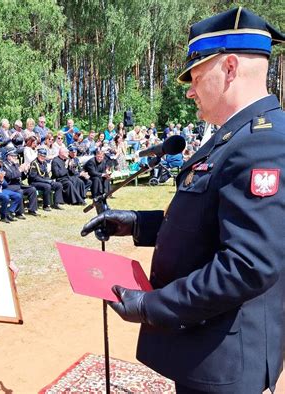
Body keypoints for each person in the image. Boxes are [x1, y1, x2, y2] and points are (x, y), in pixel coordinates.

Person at [81, 7, 285, 393]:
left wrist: (152, 306)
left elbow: (248, 265)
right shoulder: (232, 136)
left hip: (227, 357)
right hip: (207, 346)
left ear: (228, 68)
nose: (189, 89)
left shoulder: (263, 142)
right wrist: (138, 223)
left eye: (194, 76)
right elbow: (208, 221)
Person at [3, 149, 39, 217]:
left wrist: (25, 171)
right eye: (13, 156)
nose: (15, 158)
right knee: (20, 191)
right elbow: (10, 176)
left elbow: (21, 177)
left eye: (16, 156)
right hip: (10, 185)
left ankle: (32, 209)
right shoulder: (4, 165)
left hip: (18, 184)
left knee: (32, 189)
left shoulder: (15, 164)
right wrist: (20, 170)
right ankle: (19, 213)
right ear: (8, 156)